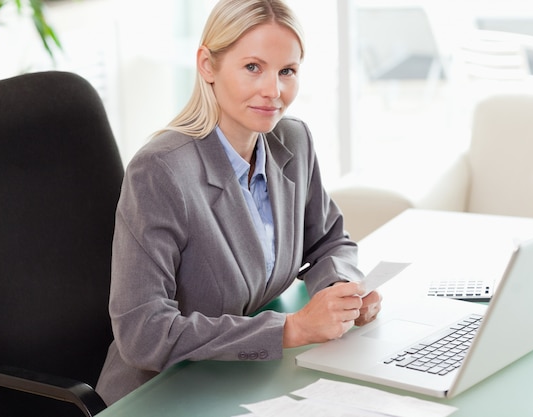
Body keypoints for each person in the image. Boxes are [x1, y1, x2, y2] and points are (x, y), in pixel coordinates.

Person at [96, 0, 382, 405]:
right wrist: (292, 329)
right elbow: (144, 333)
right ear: (208, 66)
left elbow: (328, 242)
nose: (273, 91)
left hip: (246, 379)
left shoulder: (293, 141)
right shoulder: (159, 172)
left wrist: (340, 297)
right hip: (162, 394)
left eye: (287, 71)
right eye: (253, 67)